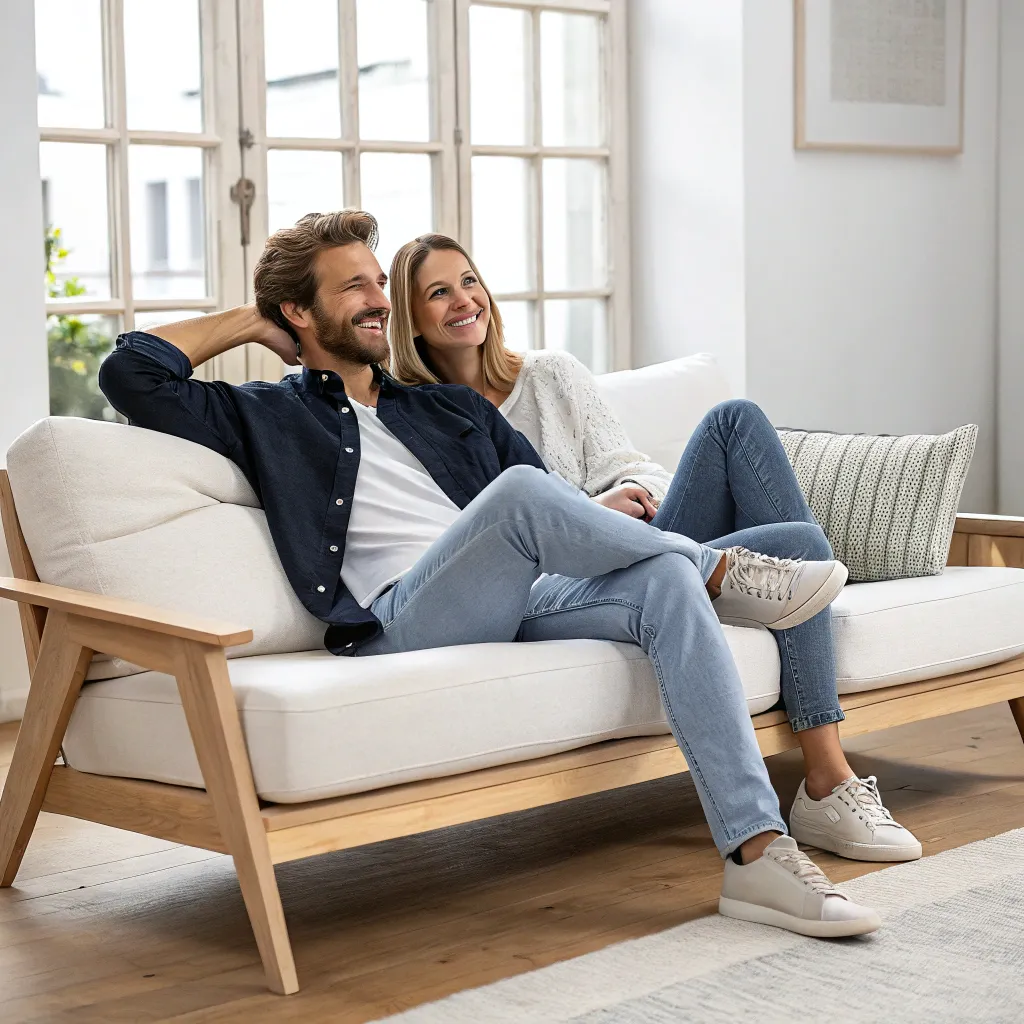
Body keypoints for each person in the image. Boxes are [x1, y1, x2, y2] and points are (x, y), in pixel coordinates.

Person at [99, 209, 879, 939]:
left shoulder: (447, 410)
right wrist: (252, 321)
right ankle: (718, 568)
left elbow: (549, 512)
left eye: (379, 283)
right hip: (400, 619)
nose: (378, 301)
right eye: (355, 288)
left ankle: (755, 856)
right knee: (528, 499)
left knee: (656, 581)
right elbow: (131, 374)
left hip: (516, 596)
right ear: (301, 314)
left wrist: (608, 522)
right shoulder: (263, 412)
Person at [388, 232, 922, 865]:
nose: (463, 301)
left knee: (737, 424)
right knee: (798, 546)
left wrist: (631, 492)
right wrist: (591, 514)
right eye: (438, 293)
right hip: (567, 584)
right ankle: (825, 777)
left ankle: (826, 784)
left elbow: (632, 465)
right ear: (410, 318)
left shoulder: (551, 374)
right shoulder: (421, 420)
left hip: (646, 542)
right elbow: (484, 546)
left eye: (469, 281)